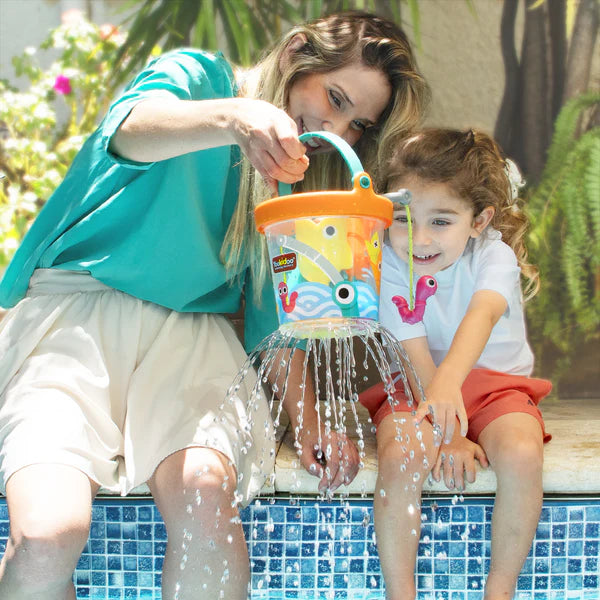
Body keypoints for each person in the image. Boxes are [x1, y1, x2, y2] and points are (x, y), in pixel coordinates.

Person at [0, 11, 429, 600]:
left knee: (204, 495)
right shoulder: (198, 77)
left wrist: (310, 424)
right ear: (296, 52)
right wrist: (234, 118)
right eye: (334, 97)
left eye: (357, 124)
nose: (334, 126)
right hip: (76, 318)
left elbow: (271, 319)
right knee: (48, 534)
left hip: (190, 336)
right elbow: (127, 130)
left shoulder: (293, 179)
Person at [359, 128, 552, 600]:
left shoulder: (493, 256)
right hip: (416, 380)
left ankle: (499, 590)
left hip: (494, 386)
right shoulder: (388, 262)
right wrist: (449, 434)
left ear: (479, 220)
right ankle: (399, 594)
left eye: (441, 221)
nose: (420, 238)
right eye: (404, 219)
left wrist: (451, 399)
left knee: (522, 454)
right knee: (402, 455)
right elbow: (412, 347)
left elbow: (481, 316)